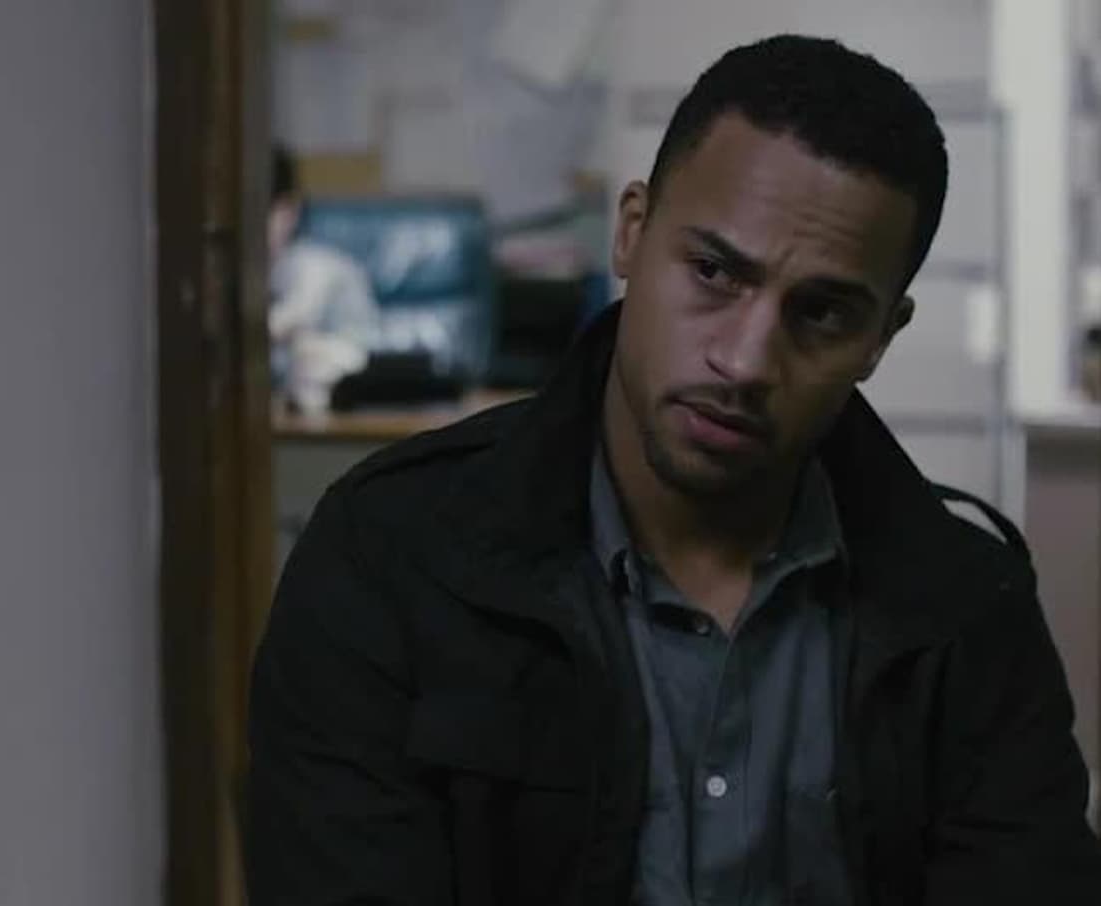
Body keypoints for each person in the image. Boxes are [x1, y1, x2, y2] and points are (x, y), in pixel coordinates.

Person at [247, 35, 1101, 906]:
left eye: (822, 313)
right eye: (713, 271)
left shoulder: (968, 608)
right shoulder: (389, 559)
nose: (745, 361)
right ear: (631, 232)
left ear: (882, 337)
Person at [267, 145, 379, 413]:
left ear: (290, 211)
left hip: (357, 392)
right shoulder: (262, 274)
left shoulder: (314, 263)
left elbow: (290, 318)